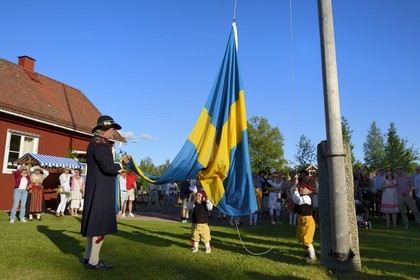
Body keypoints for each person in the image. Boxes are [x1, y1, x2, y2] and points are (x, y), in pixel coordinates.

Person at [80, 115, 126, 271]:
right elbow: (107, 167)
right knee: (100, 226)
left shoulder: (95, 143)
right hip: (101, 189)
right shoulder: (101, 144)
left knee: (93, 225)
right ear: (105, 128)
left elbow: (103, 164)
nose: (113, 132)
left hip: (96, 187)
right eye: (113, 129)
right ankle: (93, 262)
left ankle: (88, 257)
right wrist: (119, 167)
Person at [292, 177, 317, 263]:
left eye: (303, 187)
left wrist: (295, 192)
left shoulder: (307, 198)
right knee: (302, 237)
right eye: (300, 186)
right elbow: (295, 195)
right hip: (302, 220)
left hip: (307, 221)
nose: (300, 188)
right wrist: (295, 186)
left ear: (309, 191)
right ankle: (309, 253)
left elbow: (297, 200)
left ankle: (312, 256)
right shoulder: (303, 195)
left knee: (307, 239)